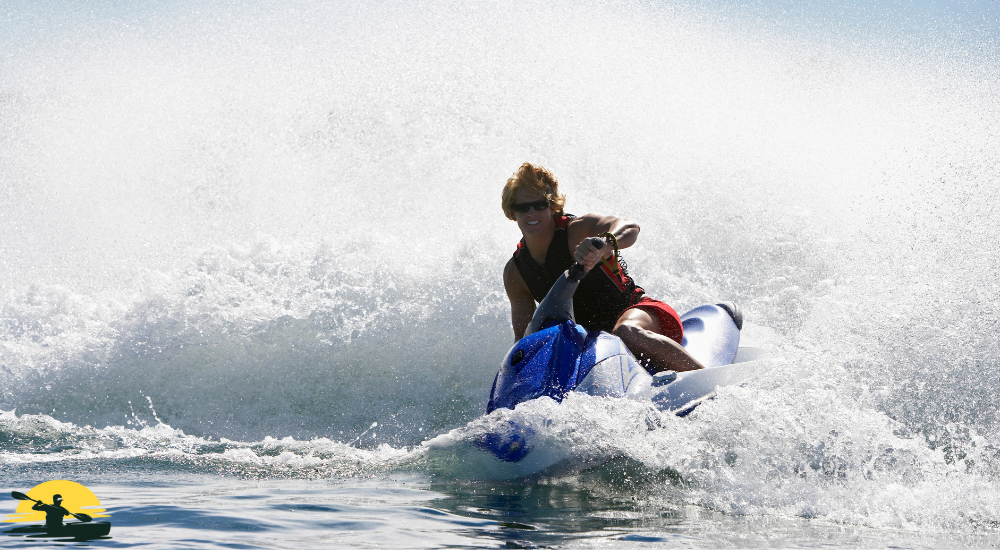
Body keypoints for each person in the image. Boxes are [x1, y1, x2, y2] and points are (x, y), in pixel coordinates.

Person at [501, 162, 704, 373]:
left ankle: (709, 381)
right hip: (592, 347)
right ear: (512, 212)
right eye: (523, 207)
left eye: (540, 204)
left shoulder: (578, 231)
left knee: (624, 331)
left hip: (640, 316)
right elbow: (523, 341)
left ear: (552, 206)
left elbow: (631, 227)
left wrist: (605, 245)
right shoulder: (515, 273)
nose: (532, 212)